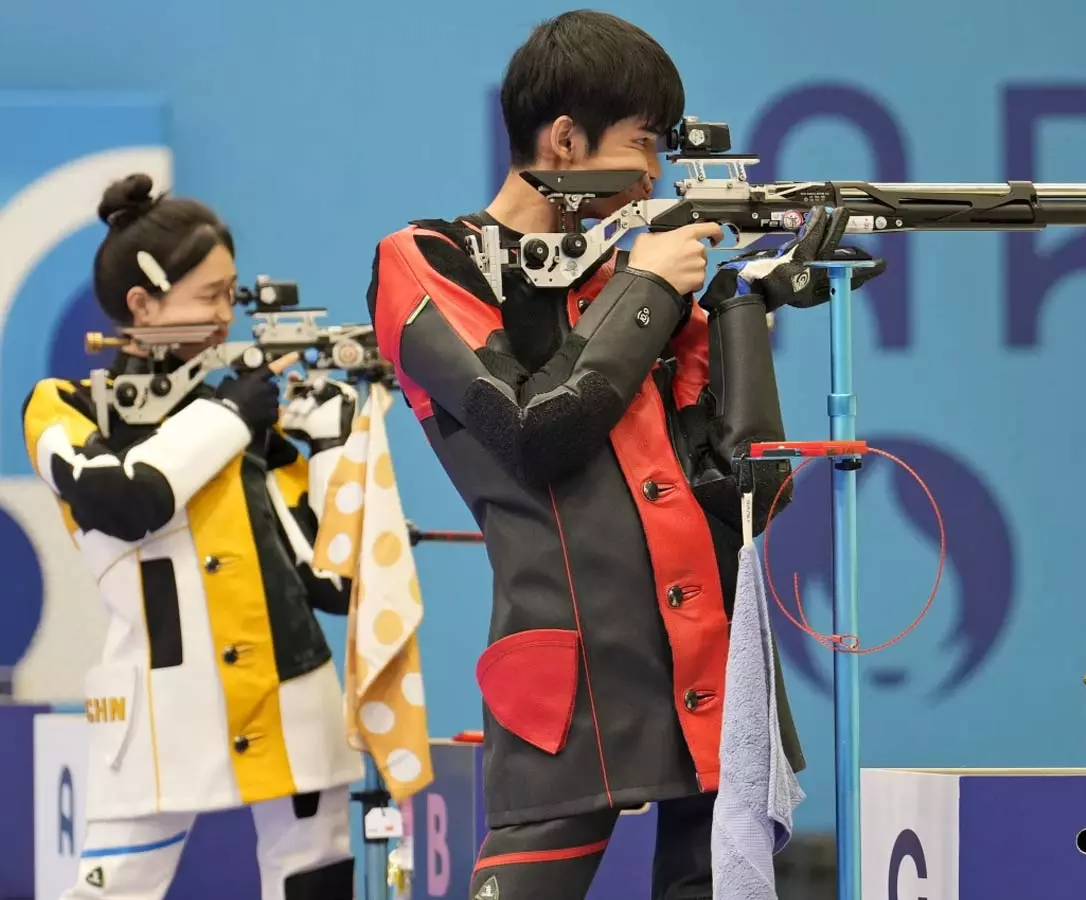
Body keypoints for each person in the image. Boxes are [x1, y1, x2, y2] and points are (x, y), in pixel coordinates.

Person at [365, 10, 884, 899]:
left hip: (714, 670)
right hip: (566, 690)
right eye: (646, 144)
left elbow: (748, 493)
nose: (656, 175)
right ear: (566, 139)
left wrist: (736, 312)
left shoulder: (629, 277)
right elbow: (531, 430)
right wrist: (649, 288)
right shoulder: (427, 259)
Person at [22, 174, 365, 900]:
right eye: (209, 297)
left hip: (290, 699)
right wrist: (230, 419)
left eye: (230, 296)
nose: (224, 319)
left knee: (316, 876)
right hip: (157, 718)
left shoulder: (245, 424)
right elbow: (124, 499)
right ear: (142, 304)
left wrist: (335, 442)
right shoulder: (65, 409)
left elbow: (336, 583)